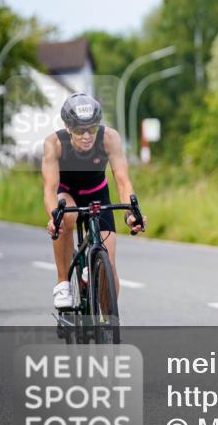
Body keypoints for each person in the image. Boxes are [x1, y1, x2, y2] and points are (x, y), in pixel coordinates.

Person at [42, 93, 146, 308]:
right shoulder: (54, 144)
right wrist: (54, 218)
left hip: (97, 194)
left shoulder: (110, 138)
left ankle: (108, 320)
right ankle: (63, 283)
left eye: (93, 128)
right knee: (66, 217)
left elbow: (123, 181)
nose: (87, 135)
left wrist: (130, 215)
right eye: (80, 129)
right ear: (68, 127)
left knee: (109, 261)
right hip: (67, 194)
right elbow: (50, 189)